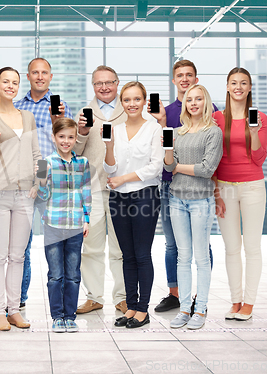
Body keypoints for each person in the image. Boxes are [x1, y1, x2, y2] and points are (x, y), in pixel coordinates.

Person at [155, 59, 218, 313]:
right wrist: (160, 122)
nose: (184, 79)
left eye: (189, 75)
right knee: (173, 245)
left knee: (202, 247)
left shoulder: (211, 110)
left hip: (200, 188)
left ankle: (199, 297)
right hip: (170, 187)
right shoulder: (167, 111)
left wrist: (217, 187)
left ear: (196, 79)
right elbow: (165, 150)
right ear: (174, 80)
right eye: (179, 75)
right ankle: (176, 294)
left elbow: (212, 157)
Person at [0, 67, 41, 331]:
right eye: (5, 81)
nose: (11, 86)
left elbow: (37, 154)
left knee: (18, 256)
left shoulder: (27, 117)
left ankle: (14, 310)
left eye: (15, 82)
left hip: (24, 195)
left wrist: (38, 183)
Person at [14, 58, 73, 310]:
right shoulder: (16, 107)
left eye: (44, 73)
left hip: (55, 182)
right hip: (26, 180)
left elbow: (68, 142)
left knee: (57, 245)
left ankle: (60, 300)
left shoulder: (62, 107)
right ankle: (19, 299)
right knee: (21, 244)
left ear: (51, 76)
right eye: (35, 72)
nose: (39, 76)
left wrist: (54, 120)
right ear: (27, 76)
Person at [105, 81, 164, 329]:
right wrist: (108, 147)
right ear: (121, 101)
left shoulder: (155, 129)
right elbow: (110, 168)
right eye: (127, 99)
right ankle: (130, 306)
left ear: (144, 101)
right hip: (118, 197)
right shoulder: (114, 129)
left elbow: (155, 167)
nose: (132, 104)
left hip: (144, 196)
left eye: (136, 99)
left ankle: (143, 310)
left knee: (141, 254)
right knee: (125, 255)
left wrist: (123, 179)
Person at [163, 84, 223, 329]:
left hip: (200, 200)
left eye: (199, 99)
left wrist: (178, 166)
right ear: (185, 104)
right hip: (176, 199)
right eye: (190, 100)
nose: (194, 103)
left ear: (205, 102)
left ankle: (200, 310)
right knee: (183, 257)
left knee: (201, 257)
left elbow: (207, 169)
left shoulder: (213, 132)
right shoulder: (177, 132)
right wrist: (168, 151)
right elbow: (168, 167)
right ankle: (185, 309)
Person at [212, 67, 267, 321]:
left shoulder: (261, 118)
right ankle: (235, 301)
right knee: (231, 248)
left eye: (243, 83)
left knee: (252, 247)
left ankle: (249, 302)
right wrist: (216, 191)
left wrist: (253, 133)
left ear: (249, 88)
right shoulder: (216, 118)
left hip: (252, 186)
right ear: (227, 86)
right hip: (223, 186)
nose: (238, 87)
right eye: (233, 83)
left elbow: (259, 158)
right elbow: (212, 157)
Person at [73, 65, 127, 314]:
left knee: (121, 247)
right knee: (91, 247)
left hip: (122, 188)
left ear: (117, 83)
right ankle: (94, 296)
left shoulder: (128, 108)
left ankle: (122, 297)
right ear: (92, 86)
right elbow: (73, 152)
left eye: (109, 82)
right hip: (92, 189)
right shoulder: (84, 113)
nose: (104, 87)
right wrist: (82, 132)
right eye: (98, 83)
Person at [37, 118, 92, 333]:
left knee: (73, 274)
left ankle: (70, 316)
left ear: (76, 138)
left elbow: (85, 193)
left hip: (76, 226)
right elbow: (41, 196)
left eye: (70, 137)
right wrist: (41, 180)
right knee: (55, 275)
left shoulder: (83, 164)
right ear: (54, 138)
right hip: (53, 225)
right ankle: (57, 316)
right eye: (61, 136)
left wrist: (86, 219)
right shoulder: (45, 163)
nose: (66, 141)